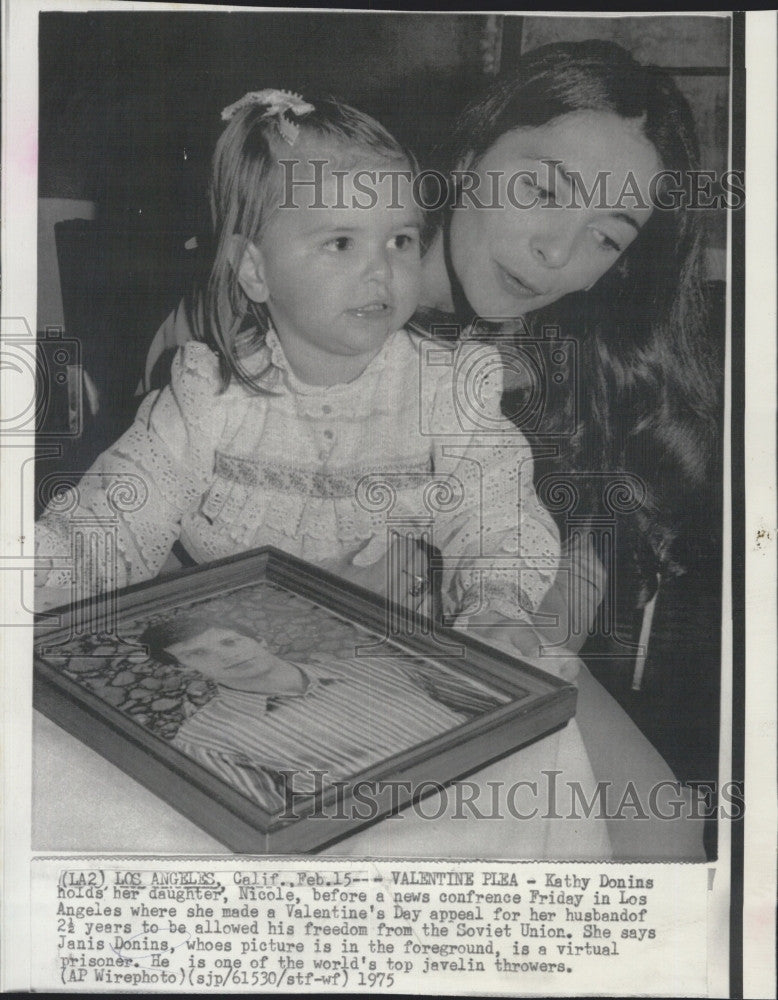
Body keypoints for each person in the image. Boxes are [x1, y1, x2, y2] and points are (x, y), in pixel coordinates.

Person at [35, 89, 562, 656]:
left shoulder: (443, 390)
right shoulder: (209, 395)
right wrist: (50, 577)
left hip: (385, 655)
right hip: (230, 652)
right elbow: (121, 508)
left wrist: (494, 601)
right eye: (340, 241)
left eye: (400, 240)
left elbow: (496, 508)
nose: (381, 270)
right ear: (255, 271)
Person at [137, 617, 509, 813]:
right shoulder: (204, 740)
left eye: (230, 641)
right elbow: (277, 826)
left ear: (260, 641)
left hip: (509, 778)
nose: (226, 655)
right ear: (184, 669)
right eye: (199, 654)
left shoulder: (376, 667)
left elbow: (505, 710)